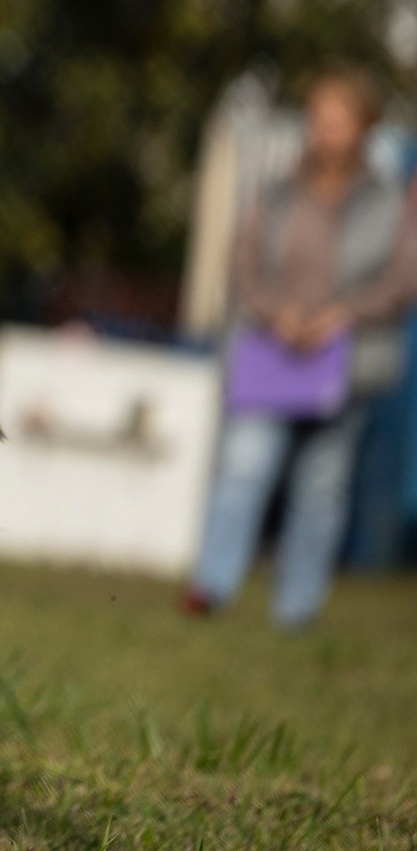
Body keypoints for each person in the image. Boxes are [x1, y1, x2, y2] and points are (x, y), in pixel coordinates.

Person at [183, 67, 417, 629]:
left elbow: (402, 279)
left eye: (339, 121)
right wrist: (274, 312)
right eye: (319, 119)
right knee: (245, 463)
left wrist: (344, 315)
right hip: (275, 352)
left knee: (322, 485)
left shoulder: (387, 202)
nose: (327, 131)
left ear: (364, 128)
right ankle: (210, 586)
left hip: (346, 361)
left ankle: (297, 607)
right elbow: (241, 261)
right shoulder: (278, 191)